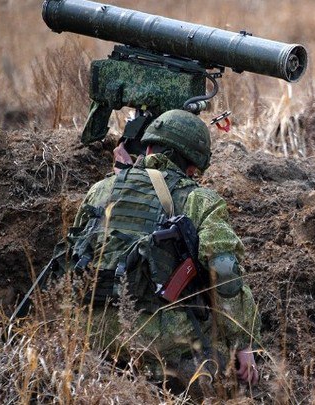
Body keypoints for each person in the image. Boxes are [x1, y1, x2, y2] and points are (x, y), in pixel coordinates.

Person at [55, 109, 261, 391]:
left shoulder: (100, 190)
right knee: (225, 372)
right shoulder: (199, 200)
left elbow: (74, 254)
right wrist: (243, 343)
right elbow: (224, 270)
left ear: (149, 148)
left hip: (91, 335)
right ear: (192, 167)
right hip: (158, 344)